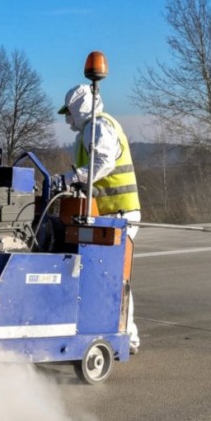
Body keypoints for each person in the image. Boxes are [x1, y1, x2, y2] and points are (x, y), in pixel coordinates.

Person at [56, 84, 142, 354]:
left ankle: (127, 336)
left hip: (120, 212)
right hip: (106, 214)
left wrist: (76, 177)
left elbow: (105, 161)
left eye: (69, 113)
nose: (67, 119)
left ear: (79, 108)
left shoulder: (98, 126)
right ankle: (119, 332)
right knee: (103, 274)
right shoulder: (87, 131)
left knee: (113, 276)